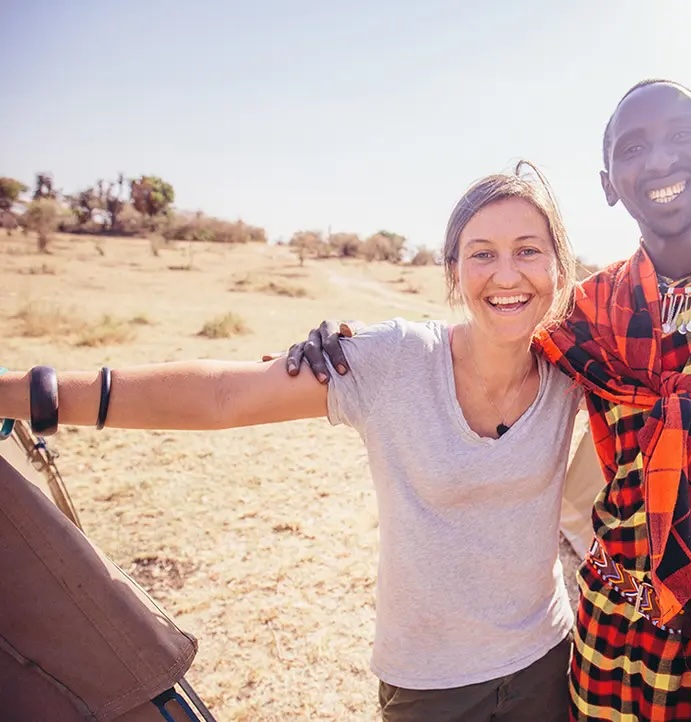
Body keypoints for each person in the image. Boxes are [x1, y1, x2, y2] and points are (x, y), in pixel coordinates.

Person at [291, 80, 691, 721]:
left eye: (682, 135)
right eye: (634, 147)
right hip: (623, 626)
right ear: (609, 183)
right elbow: (494, 336)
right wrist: (363, 347)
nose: (659, 160)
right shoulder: (590, 314)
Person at [1, 164, 584, 722]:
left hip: (546, 661)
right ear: (454, 269)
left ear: (560, 266)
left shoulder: (576, 368)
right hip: (430, 681)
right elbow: (223, 397)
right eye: (483, 253)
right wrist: (23, 394)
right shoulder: (394, 360)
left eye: (528, 250)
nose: (507, 274)